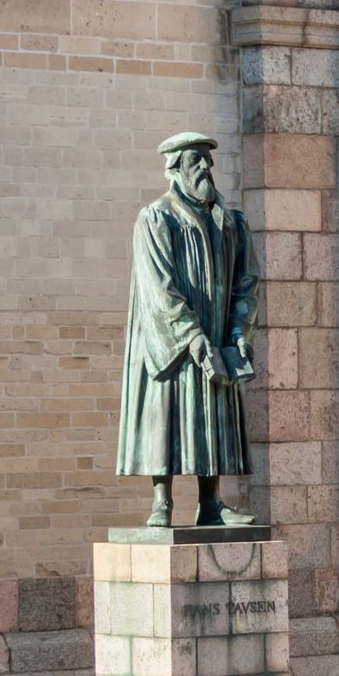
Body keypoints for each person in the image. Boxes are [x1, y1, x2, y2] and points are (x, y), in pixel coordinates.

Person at [116, 132, 258, 527]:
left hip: (216, 335)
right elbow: (158, 287)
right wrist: (192, 336)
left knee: (211, 413)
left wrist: (238, 333)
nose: (206, 168)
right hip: (170, 340)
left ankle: (211, 502)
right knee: (166, 415)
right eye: (196, 160)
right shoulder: (156, 218)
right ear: (174, 167)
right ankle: (161, 501)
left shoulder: (230, 222)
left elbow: (248, 282)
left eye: (208, 160)